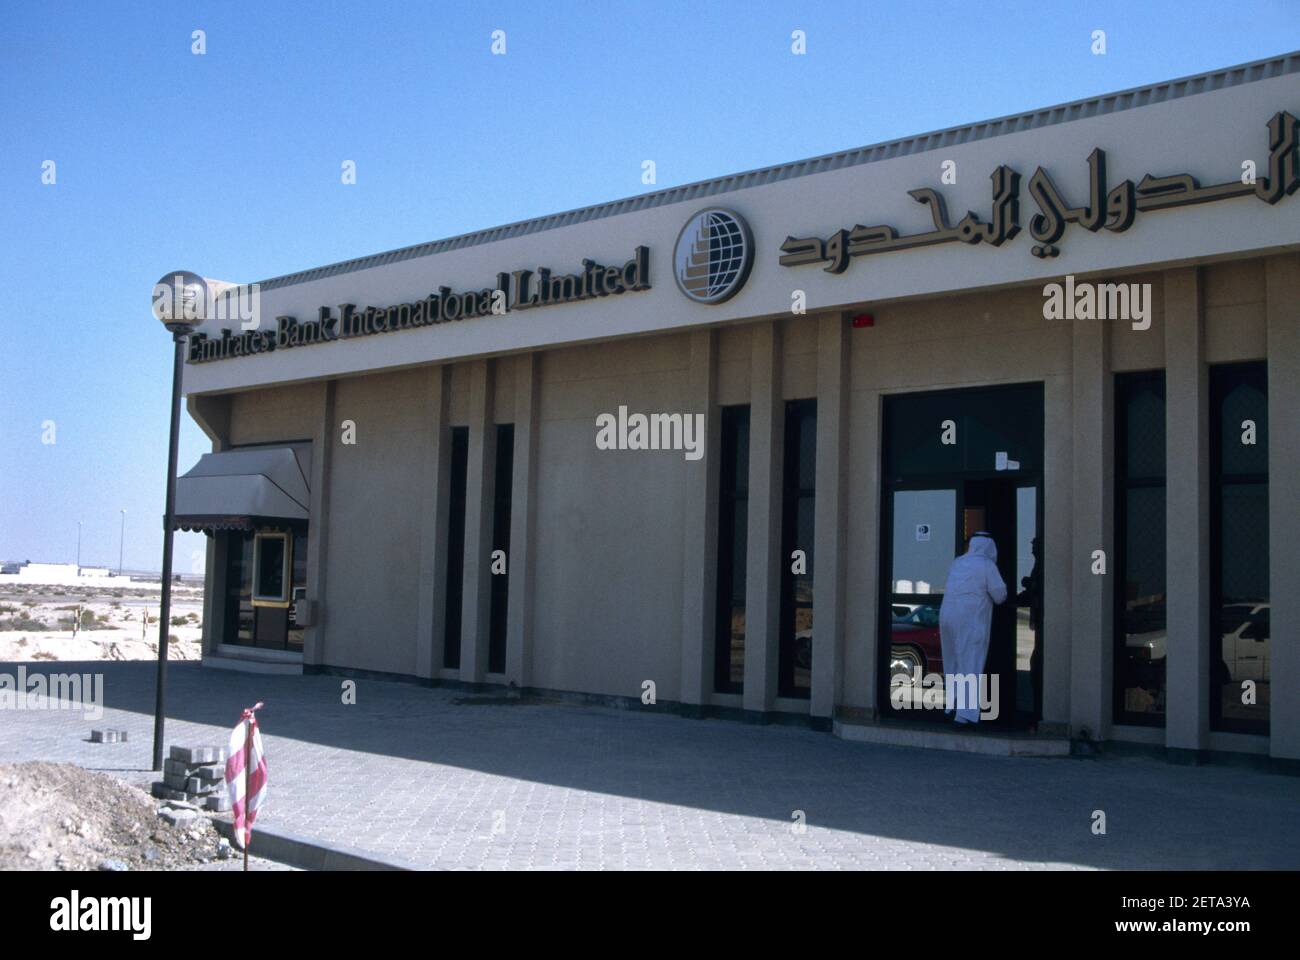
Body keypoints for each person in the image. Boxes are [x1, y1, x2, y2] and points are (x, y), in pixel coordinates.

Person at [939, 532, 1007, 724]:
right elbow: (1000, 595)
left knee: (952, 664)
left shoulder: (958, 562)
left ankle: (950, 706)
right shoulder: (987, 565)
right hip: (969, 621)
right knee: (970, 664)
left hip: (947, 617)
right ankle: (965, 715)